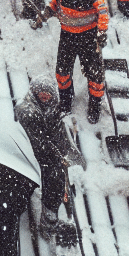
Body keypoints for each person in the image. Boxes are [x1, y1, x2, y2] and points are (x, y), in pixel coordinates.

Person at [33, 0, 109, 123]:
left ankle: (94, 107)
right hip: (67, 36)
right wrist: (47, 12)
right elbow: (55, 3)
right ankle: (66, 102)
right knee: (62, 72)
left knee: (95, 75)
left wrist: (101, 32)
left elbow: (102, 10)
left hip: (88, 38)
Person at [14, 75, 81, 243]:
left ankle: (51, 212)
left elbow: (58, 132)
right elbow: (39, 142)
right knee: (54, 177)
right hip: (28, 151)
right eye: (41, 93)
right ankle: (46, 222)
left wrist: (66, 150)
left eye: (48, 94)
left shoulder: (52, 108)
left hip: (45, 150)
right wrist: (58, 157)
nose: (44, 96)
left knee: (57, 175)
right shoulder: (27, 112)